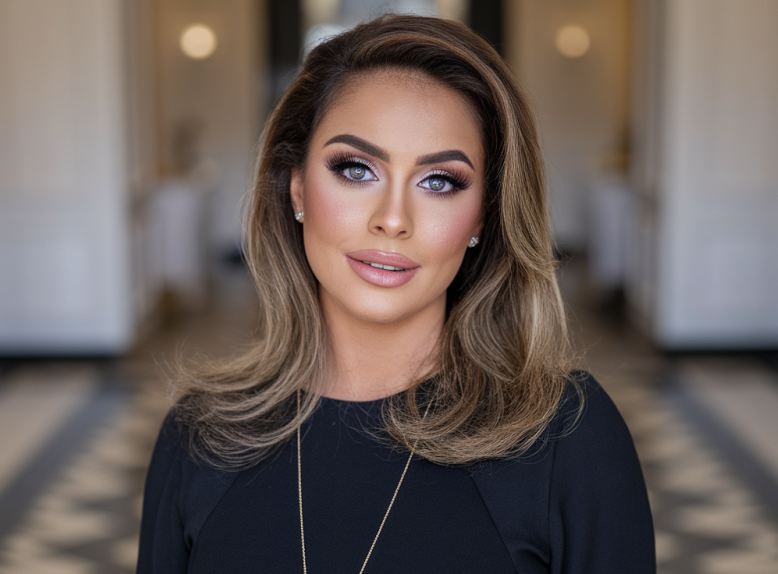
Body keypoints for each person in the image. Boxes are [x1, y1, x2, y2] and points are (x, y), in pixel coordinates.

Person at [137, 14, 654, 574]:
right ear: (296, 187)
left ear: (484, 215)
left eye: (440, 182)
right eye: (356, 169)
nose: (392, 219)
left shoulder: (568, 438)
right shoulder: (199, 438)